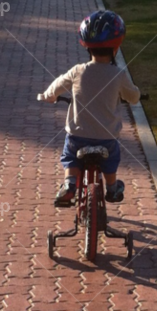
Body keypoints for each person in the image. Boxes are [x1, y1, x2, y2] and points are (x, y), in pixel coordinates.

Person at [39, 10, 140, 208]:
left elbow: (58, 84)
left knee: (69, 156)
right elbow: (133, 96)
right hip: (107, 136)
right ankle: (111, 187)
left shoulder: (78, 71)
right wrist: (134, 95)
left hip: (78, 135)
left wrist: (49, 96)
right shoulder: (118, 75)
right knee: (111, 159)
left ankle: (69, 184)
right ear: (116, 47)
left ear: (86, 46)